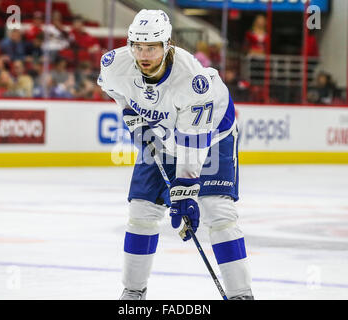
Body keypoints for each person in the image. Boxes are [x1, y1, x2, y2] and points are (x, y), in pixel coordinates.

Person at [98, 9, 253, 300]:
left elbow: (193, 144)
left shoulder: (192, 80)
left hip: (213, 133)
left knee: (217, 211)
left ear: (167, 45)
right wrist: (130, 114)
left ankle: (241, 294)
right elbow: (114, 90)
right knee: (142, 210)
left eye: (152, 47)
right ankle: (133, 292)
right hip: (162, 132)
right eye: (138, 46)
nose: (143, 55)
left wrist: (185, 193)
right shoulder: (115, 64)